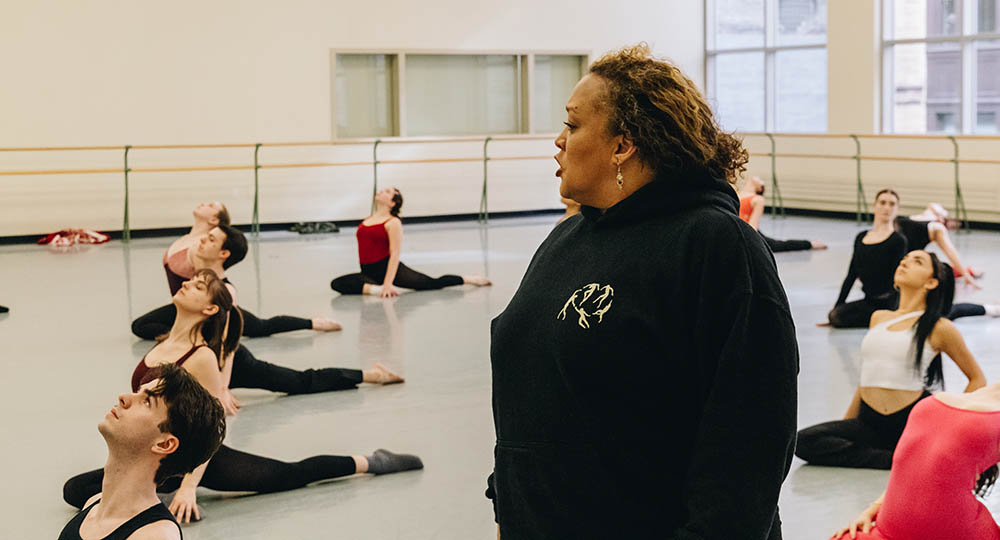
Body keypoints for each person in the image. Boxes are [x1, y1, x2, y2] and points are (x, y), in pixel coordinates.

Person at [486, 44, 798, 539]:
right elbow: (535, 407)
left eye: (572, 125)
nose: (558, 141)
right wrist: (508, 506)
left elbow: (748, 446)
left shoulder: (715, 245)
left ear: (622, 144)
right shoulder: (566, 240)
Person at [63, 270, 423, 523]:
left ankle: (371, 461)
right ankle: (161, 489)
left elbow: (209, 430)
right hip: (157, 456)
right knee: (76, 489)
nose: (187, 283)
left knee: (288, 475)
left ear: (209, 310)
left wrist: (190, 486)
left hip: (193, 457)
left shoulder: (201, 356)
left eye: (197, 286)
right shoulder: (164, 341)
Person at [138, 237, 403, 416]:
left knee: (299, 380)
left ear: (224, 253)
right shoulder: (198, 273)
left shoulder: (224, 291)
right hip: (199, 358)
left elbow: (227, 343)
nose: (203, 239)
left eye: (211, 238)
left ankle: (370, 375)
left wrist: (222, 386)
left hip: (230, 362)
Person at [797, 250, 987, 469]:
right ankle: (900, 459)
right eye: (903, 260)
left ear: (931, 282)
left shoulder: (939, 327)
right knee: (804, 442)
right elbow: (868, 375)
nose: (904, 263)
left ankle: (906, 456)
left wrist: (952, 425)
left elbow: (977, 378)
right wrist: (846, 423)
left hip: (910, 421)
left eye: (916, 262)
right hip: (869, 419)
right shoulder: (878, 318)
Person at [59, 364, 226, 540]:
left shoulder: (156, 535)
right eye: (138, 392)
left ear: (164, 444)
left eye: (146, 402)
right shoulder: (93, 504)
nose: (124, 398)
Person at [143, 201, 341, 337]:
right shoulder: (187, 239)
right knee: (141, 326)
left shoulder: (201, 247)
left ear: (214, 221)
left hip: (207, 303)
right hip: (187, 305)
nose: (204, 204)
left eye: (211, 206)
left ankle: (314, 323)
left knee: (261, 327)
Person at [830, 386, 1000, 540]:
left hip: (896, 527)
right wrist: (871, 511)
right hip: (916, 529)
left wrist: (872, 510)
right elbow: (913, 472)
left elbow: (909, 472)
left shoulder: (936, 401)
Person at [826, 189, 997, 328]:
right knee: (836, 317)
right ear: (874, 206)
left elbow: (902, 278)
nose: (886, 207)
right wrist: (838, 305)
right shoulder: (861, 237)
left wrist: (904, 307)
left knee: (943, 314)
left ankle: (990, 309)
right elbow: (851, 274)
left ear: (897, 210)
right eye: (882, 203)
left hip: (893, 301)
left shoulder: (898, 240)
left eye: (892, 204)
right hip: (870, 301)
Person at [330, 187, 492, 298]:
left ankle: (469, 279)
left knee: (432, 283)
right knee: (337, 284)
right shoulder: (368, 219)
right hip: (367, 271)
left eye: (387, 192)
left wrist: (388, 283)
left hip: (388, 269)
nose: (381, 191)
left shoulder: (393, 222)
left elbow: (395, 253)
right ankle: (375, 289)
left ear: (392, 203)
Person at [895, 202, 982, 287]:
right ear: (941, 219)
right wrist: (966, 275)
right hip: (906, 269)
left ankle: (969, 271)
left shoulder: (902, 220)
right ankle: (970, 271)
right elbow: (951, 254)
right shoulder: (936, 227)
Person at [738, 175, 826, 252]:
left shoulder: (758, 199)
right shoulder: (738, 193)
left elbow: (753, 226)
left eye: (761, 180)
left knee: (779, 245)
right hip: (739, 228)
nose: (758, 178)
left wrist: (747, 241)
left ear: (760, 188)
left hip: (749, 232)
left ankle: (809, 244)